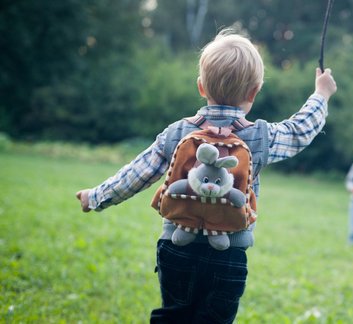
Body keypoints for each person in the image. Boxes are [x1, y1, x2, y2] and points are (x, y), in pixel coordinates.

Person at [75, 28, 337, 323]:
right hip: (229, 254)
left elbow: (137, 173)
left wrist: (95, 196)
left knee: (173, 315)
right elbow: (300, 129)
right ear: (254, 92)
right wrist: (321, 93)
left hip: (176, 246)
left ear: (201, 86)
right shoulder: (261, 137)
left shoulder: (177, 132)